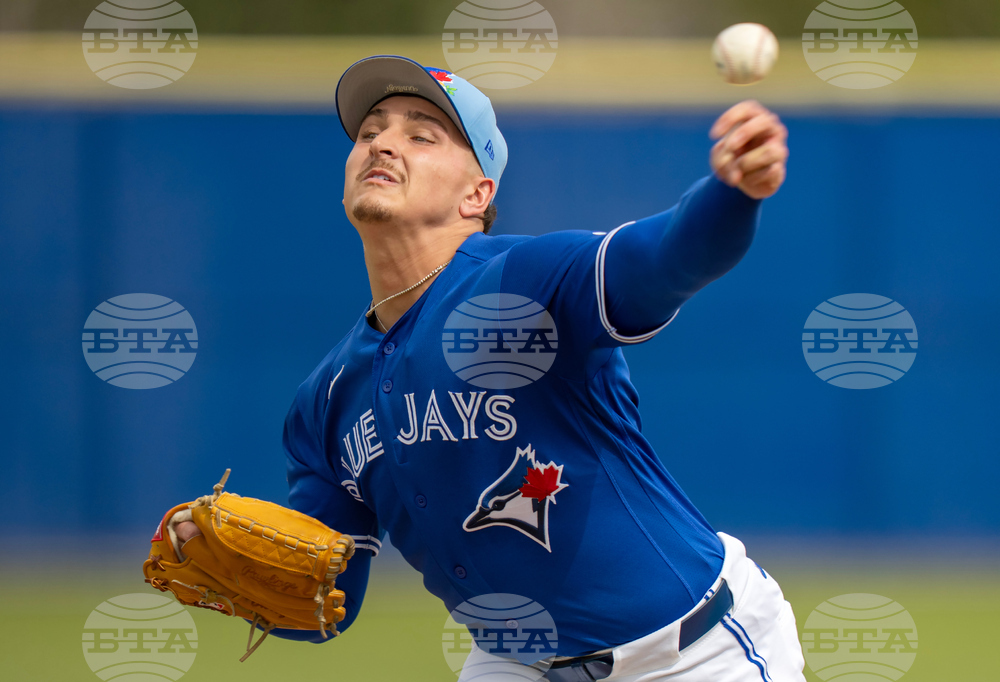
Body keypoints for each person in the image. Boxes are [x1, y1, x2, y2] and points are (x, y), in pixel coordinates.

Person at [177, 55, 801, 681]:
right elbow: (324, 605)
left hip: (692, 652)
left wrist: (730, 194)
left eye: (421, 135)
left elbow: (666, 259)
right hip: (515, 664)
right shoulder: (327, 401)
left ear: (478, 194)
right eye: (370, 133)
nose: (384, 144)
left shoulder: (525, 283)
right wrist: (229, 566)